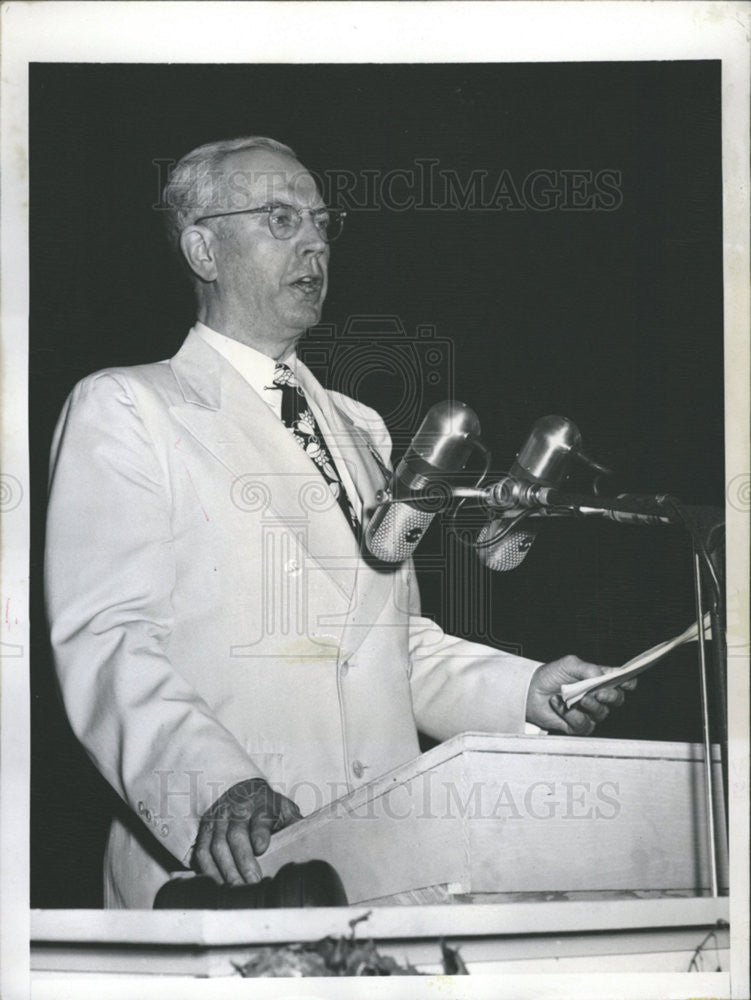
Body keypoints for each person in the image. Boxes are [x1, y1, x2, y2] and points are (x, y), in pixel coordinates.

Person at [45, 135, 632, 909]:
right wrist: (214, 789)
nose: (316, 241)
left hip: (380, 865)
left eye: (322, 221)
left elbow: (388, 642)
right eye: (280, 219)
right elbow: (107, 641)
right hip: (231, 872)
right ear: (203, 248)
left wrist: (525, 688)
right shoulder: (127, 407)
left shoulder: (359, 428)